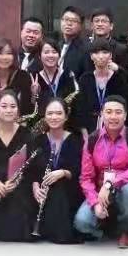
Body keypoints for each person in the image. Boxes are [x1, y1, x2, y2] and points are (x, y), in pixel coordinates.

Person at [73, 95, 128, 248]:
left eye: (118, 112)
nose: (113, 116)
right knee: (81, 222)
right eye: (109, 112)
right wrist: (95, 203)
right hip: (100, 192)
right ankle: (105, 231)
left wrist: (110, 183)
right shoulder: (92, 140)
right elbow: (86, 178)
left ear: (125, 115)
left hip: (124, 187)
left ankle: (126, 230)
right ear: (102, 114)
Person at [0, 90, 35, 241]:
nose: (9, 110)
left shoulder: (26, 134)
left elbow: (32, 165)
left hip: (16, 186)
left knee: (18, 229)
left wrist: (18, 180)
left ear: (18, 110)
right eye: (4, 106)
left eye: (13, 106)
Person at [30, 97, 82, 244]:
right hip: (43, 190)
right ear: (45, 116)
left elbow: (79, 169)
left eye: (59, 113)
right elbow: (32, 169)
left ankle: (59, 231)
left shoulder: (76, 140)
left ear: (66, 116)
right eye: (50, 113)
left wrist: (63, 172)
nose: (54, 117)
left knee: (58, 188)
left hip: (68, 189)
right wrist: (35, 187)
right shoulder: (38, 140)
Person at [75, 38, 128, 137]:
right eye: (96, 53)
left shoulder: (119, 78)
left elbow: (125, 107)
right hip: (90, 131)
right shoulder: (85, 79)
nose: (101, 56)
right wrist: (85, 136)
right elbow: (81, 110)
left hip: (115, 129)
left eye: (105, 52)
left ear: (110, 55)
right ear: (91, 56)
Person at [33, 38, 80, 112]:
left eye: (54, 52)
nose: (51, 55)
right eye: (46, 52)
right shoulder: (34, 78)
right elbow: (31, 108)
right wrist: (34, 94)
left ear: (59, 55)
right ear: (39, 56)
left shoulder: (68, 75)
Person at [57, 7, 87, 77]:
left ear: (81, 26)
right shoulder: (56, 45)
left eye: (74, 21)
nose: (69, 23)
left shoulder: (85, 49)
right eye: (66, 19)